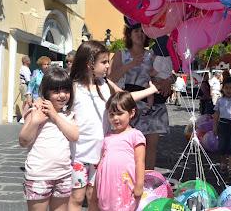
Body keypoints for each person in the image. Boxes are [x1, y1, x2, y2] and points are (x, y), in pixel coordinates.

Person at [68, 41, 157, 211]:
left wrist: (150, 91)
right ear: (89, 64)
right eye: (104, 62)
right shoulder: (73, 87)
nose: (108, 65)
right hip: (77, 154)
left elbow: (126, 97)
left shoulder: (106, 85)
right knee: (77, 197)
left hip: (101, 155)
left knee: (94, 197)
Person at [109, 19, 173, 170]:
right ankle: (129, 178)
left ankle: (148, 180)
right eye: (136, 31)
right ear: (129, 34)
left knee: (150, 146)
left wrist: (168, 80)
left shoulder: (152, 54)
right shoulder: (121, 54)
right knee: (130, 145)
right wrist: (130, 64)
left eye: (143, 31)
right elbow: (111, 78)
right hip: (129, 105)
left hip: (152, 106)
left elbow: (169, 71)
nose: (140, 34)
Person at [19, 67, 79, 211]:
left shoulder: (68, 115)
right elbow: (23, 141)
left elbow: (74, 135)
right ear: (46, 92)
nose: (62, 95)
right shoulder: (35, 111)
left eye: (66, 90)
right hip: (38, 176)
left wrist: (55, 115)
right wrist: (34, 121)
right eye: (56, 91)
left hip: (63, 175)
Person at [96, 91, 146, 210]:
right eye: (112, 114)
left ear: (131, 113)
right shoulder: (108, 136)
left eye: (119, 114)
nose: (115, 118)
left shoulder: (135, 135)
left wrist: (139, 185)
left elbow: (140, 162)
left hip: (125, 185)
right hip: (108, 185)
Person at [145, 36, 173, 114]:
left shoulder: (159, 59)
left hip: (159, 79)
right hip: (166, 79)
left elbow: (155, 72)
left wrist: (148, 73)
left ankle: (149, 105)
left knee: (149, 89)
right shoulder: (169, 58)